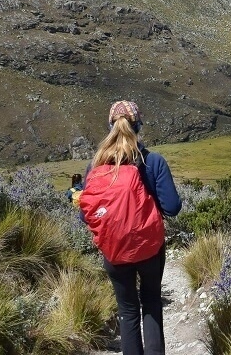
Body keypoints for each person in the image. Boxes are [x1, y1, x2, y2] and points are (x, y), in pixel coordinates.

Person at [88, 100, 181, 355]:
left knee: (127, 310)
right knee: (151, 302)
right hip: (149, 248)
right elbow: (172, 207)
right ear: (138, 125)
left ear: (110, 126)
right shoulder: (153, 161)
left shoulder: (96, 166)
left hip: (114, 250)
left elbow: (87, 216)